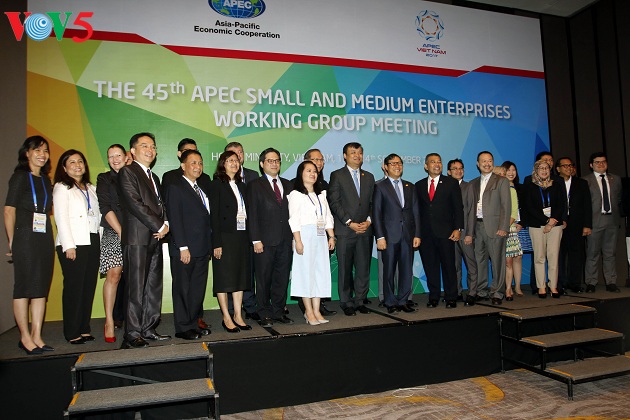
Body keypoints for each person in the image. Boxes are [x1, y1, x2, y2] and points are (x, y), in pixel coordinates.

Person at [118, 132, 170, 348]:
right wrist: (159, 225)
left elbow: (160, 204)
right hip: (137, 238)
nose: (150, 150)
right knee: (136, 287)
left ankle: (148, 328)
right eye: (145, 146)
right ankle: (132, 333)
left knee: (153, 286)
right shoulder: (128, 172)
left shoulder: (153, 177)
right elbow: (135, 203)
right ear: (133, 150)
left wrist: (166, 223)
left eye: (153, 146)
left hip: (155, 238)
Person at [4, 136, 55, 355]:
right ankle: (24, 337)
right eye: (37, 150)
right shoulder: (20, 177)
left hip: (44, 237)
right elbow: (9, 210)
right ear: (27, 153)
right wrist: (12, 241)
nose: (42, 155)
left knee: (40, 288)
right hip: (24, 236)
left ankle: (37, 336)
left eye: (45, 151)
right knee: (24, 287)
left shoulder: (45, 180)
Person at [162, 138, 211, 334]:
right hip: (185, 249)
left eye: (200, 163)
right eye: (193, 163)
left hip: (202, 248)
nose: (197, 166)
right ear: (183, 166)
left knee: (196, 290)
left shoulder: (201, 188)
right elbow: (174, 219)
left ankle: (192, 324)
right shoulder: (175, 187)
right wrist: (182, 247)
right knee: (183, 289)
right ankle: (183, 328)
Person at [53, 149, 101, 344]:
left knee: (88, 287)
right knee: (74, 288)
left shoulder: (91, 188)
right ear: (64, 168)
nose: (77, 165)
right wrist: (68, 245)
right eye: (72, 162)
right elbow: (61, 218)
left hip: (92, 240)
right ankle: (72, 331)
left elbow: (97, 216)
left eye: (80, 161)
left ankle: (84, 328)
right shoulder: (62, 187)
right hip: (73, 243)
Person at [247, 148, 294, 327]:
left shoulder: (288, 185)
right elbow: (252, 214)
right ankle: (264, 312)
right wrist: (256, 239)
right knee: (263, 279)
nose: (274, 164)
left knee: (281, 278)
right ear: (262, 164)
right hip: (264, 242)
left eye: (277, 161)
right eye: (270, 161)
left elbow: (293, 214)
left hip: (285, 240)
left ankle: (278, 311)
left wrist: (294, 238)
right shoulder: (254, 185)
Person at [328, 142, 375, 316]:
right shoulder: (337, 175)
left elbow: (373, 203)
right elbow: (334, 202)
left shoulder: (369, 177)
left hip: (365, 230)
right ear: (345, 156)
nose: (357, 156)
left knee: (363, 268)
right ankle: (346, 301)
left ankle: (360, 300)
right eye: (353, 152)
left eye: (360, 152)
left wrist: (369, 221)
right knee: (345, 269)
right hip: (345, 230)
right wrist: (349, 222)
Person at [288, 161, 336, 325]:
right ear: (301, 174)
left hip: (320, 236)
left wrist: (331, 236)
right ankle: (308, 312)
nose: (312, 174)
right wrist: (298, 241)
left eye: (314, 171)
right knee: (305, 274)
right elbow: (294, 219)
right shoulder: (296, 195)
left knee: (320, 273)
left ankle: (317, 310)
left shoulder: (321, 195)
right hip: (304, 236)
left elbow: (327, 216)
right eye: (308, 170)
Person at [209, 151, 252, 332]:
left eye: (236, 160)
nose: (234, 163)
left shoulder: (242, 185)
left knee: (239, 276)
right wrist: (216, 243)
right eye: (230, 161)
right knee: (224, 278)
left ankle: (238, 315)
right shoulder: (216, 185)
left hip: (241, 236)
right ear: (223, 164)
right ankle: (226, 317)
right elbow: (214, 216)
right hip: (224, 238)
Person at [373, 154, 421, 313]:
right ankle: (389, 301)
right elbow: (376, 213)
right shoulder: (380, 186)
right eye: (393, 163)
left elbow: (416, 212)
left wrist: (417, 234)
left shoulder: (410, 186)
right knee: (388, 271)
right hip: (389, 236)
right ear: (385, 167)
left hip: (408, 235)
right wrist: (380, 236)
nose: (397, 166)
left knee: (406, 270)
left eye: (399, 163)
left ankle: (403, 300)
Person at [416, 153, 463, 309]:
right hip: (426, 234)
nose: (437, 164)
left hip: (446, 233)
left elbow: (458, 208)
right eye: (433, 162)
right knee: (430, 267)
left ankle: (451, 297)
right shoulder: (419, 185)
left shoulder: (451, 183)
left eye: (439, 162)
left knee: (449, 266)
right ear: (426, 166)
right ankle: (434, 296)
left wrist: (457, 228)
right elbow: (417, 212)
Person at [470, 151, 511, 305]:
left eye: (490, 161)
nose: (487, 164)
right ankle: (481, 290)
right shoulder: (473, 183)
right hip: (477, 226)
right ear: (478, 164)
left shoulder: (501, 181)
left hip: (495, 227)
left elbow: (506, 206)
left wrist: (503, 227)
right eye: (483, 161)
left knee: (497, 261)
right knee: (479, 260)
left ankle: (497, 292)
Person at [224, 141, 260, 321]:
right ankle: (232, 309)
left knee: (248, 270)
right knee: (232, 271)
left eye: (240, 152)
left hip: (249, 231)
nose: (237, 156)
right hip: (231, 234)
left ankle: (250, 305)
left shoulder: (253, 175)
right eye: (233, 154)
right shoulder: (221, 180)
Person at [521, 159, 565, 298]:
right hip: (536, 225)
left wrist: (551, 222)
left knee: (553, 257)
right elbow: (529, 207)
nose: (544, 171)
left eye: (546, 168)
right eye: (541, 168)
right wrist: (546, 220)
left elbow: (561, 204)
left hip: (555, 225)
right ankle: (541, 286)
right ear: (536, 170)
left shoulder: (556, 185)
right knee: (539, 257)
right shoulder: (530, 186)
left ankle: (553, 286)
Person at [96, 144, 127, 343]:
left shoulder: (134, 176)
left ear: (126, 157)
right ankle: (109, 321)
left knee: (134, 279)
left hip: (135, 232)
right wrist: (121, 232)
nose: (115, 159)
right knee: (114, 275)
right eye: (111, 156)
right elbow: (105, 207)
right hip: (113, 230)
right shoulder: (104, 178)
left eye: (118, 155)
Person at [583, 152, 622, 293]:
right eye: (597, 162)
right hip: (594, 222)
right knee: (592, 253)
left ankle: (611, 282)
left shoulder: (615, 179)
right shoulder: (585, 181)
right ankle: (591, 282)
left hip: (612, 220)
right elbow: (583, 204)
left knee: (610, 253)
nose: (601, 164)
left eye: (603, 161)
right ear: (591, 165)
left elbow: (618, 198)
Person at [556, 157, 592, 293]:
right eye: (565, 166)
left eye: (570, 165)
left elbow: (587, 205)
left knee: (576, 254)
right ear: (558, 169)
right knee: (559, 254)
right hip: (559, 223)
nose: (568, 168)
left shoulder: (581, 183)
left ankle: (575, 283)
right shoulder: (554, 182)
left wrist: (587, 225)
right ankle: (560, 283)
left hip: (577, 223)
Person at [447, 158, 478, 306]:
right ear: (449, 172)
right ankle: (457, 292)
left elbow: (471, 212)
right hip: (450, 234)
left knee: (471, 264)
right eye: (455, 169)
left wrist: (469, 234)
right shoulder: (445, 187)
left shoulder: (468, 186)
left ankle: (472, 292)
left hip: (465, 233)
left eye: (461, 168)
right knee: (454, 266)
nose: (458, 171)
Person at [501, 161, 524, 300]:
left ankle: (518, 287)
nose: (511, 172)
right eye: (507, 170)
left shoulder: (516, 189)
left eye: (513, 170)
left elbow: (518, 210)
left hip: (516, 227)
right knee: (508, 260)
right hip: (503, 228)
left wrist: (521, 223)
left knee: (518, 257)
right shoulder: (499, 189)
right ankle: (508, 288)